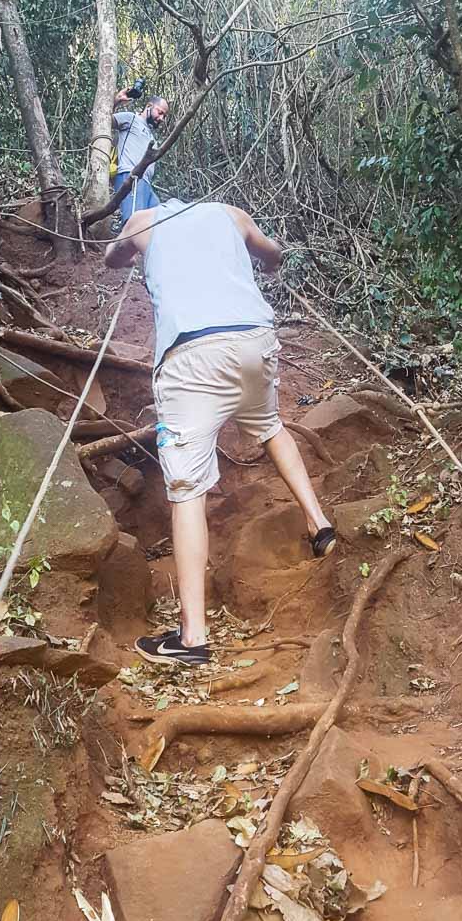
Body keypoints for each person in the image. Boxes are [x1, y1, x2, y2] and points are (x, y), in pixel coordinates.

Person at [103, 198, 336, 669]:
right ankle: (319, 524)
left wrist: (133, 253)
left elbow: (111, 256)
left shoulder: (144, 220)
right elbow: (273, 255)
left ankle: (192, 638)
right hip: (254, 341)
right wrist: (264, 262)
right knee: (270, 425)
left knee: (187, 488)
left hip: (191, 356)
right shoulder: (229, 214)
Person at [112, 88, 169, 222]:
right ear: (149, 106)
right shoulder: (131, 119)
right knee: (133, 223)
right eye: (160, 112)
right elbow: (103, 120)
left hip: (146, 185)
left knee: (157, 224)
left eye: (164, 116)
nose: (161, 118)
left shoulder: (152, 137)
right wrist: (116, 101)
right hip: (131, 177)